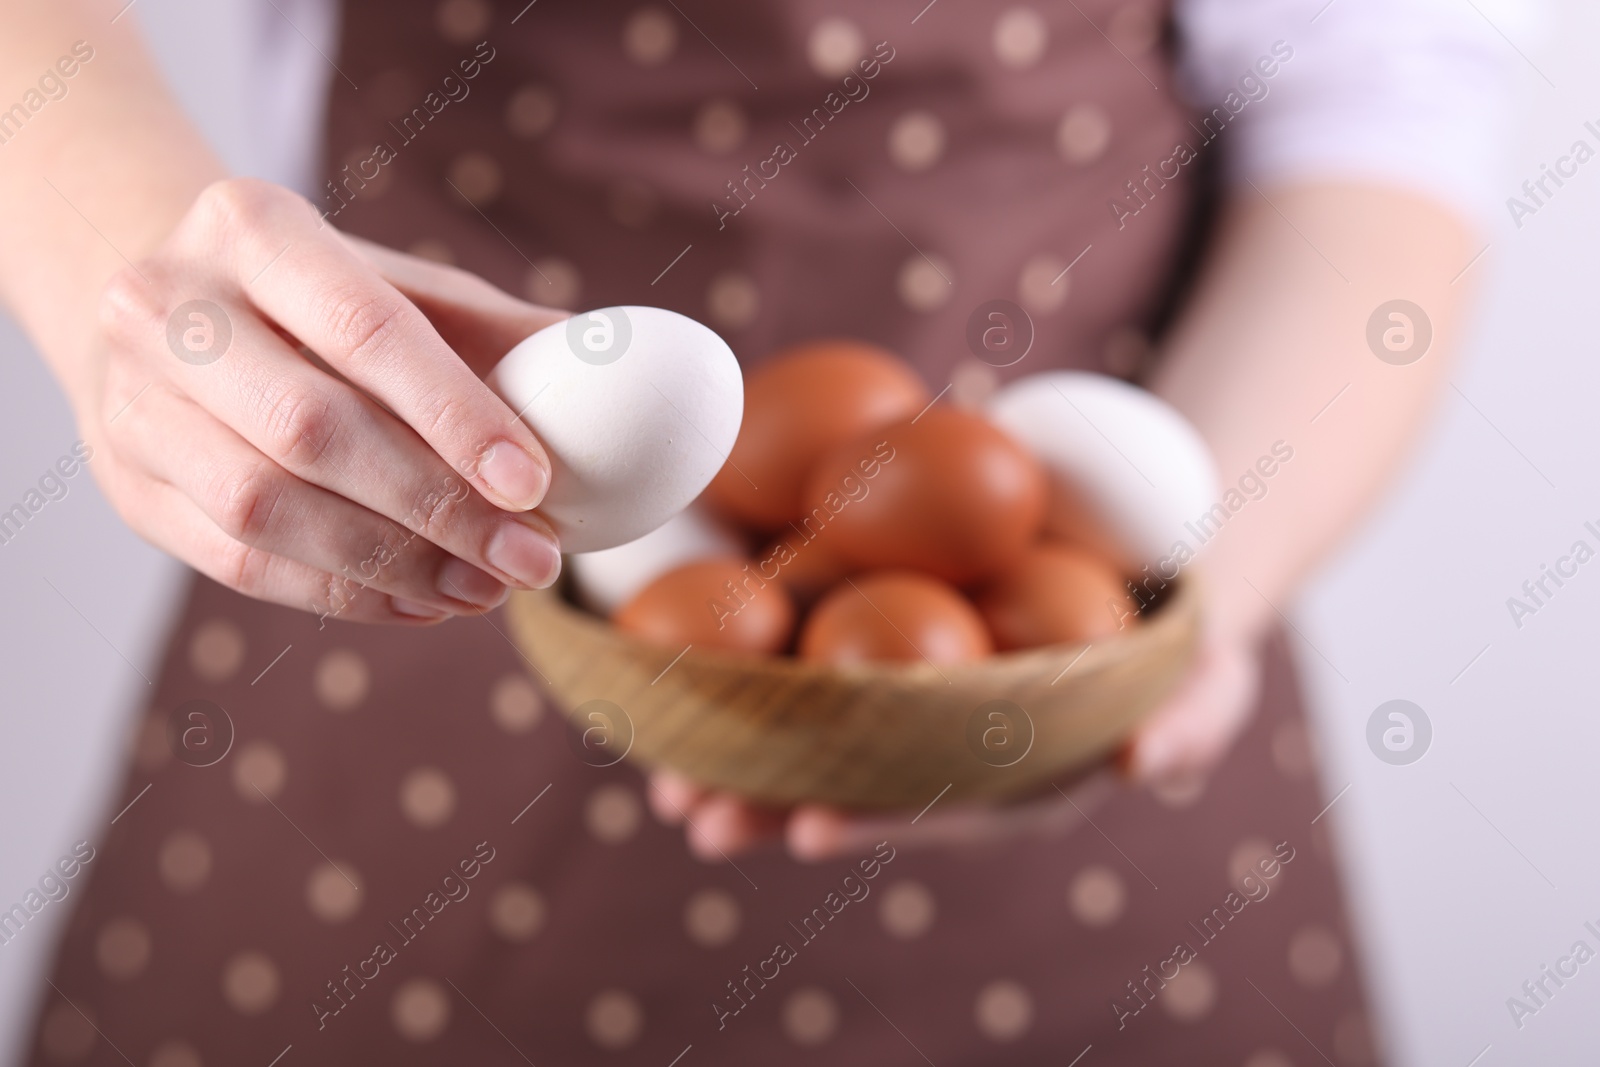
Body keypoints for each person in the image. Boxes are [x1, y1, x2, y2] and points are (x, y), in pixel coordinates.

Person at [0, 0, 1510, 1063]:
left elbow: (1383, 83)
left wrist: (1169, 602)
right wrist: (130, 266)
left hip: (1081, 771)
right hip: (386, 614)